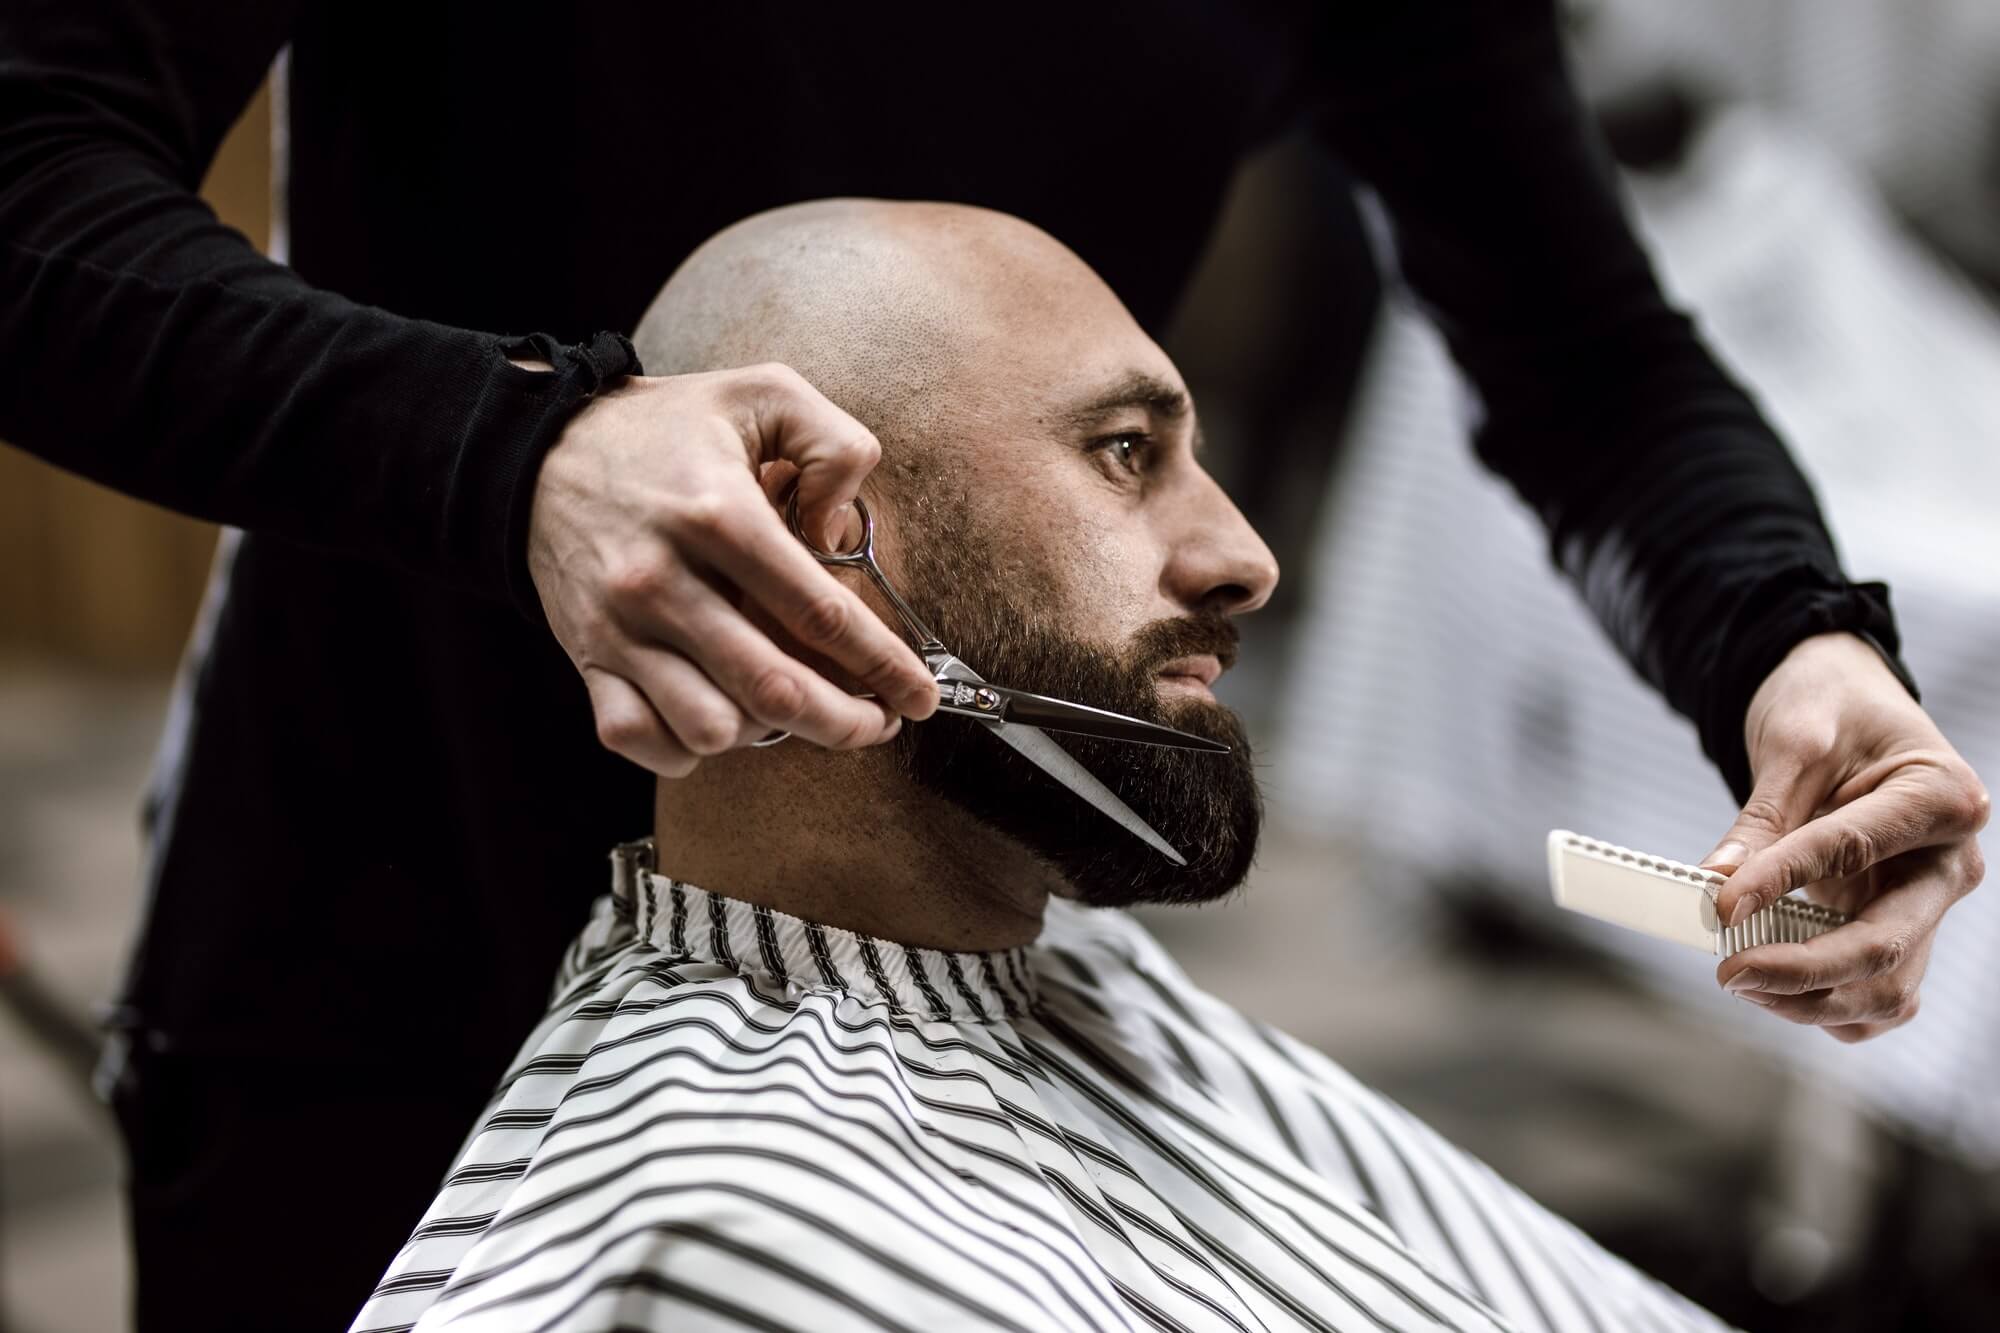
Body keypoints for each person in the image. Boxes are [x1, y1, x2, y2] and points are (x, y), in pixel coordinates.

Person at [0, 2, 1983, 1326]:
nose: (1248, 561)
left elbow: (1588, 353)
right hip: (383, 926)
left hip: (978, 939)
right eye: (1143, 460)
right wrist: (520, 443)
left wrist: (1786, 643)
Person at [352, 198, 1730, 1333]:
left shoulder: (1078, 977)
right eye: (1127, 453)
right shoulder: (741, 1237)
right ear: (811, 533)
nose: (1245, 555)